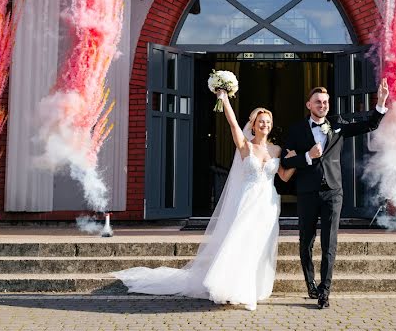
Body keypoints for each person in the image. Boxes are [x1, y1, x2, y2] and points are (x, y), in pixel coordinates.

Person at [114, 89, 296, 310]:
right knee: (240, 243)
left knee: (259, 246)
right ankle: (235, 289)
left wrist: (297, 161)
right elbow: (232, 125)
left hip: (267, 206)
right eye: (260, 122)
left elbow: (284, 177)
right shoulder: (245, 146)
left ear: (271, 124)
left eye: (267, 122)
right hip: (247, 202)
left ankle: (253, 288)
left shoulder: (276, 150)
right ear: (253, 124)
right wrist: (225, 100)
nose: (264, 125)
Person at [280, 79, 390, 308]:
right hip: (307, 192)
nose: (323, 105)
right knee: (306, 242)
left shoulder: (337, 124)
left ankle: (324, 291)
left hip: (333, 192)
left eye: (326, 102)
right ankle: (310, 283)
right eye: (318, 102)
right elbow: (285, 161)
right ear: (309, 105)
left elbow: (368, 125)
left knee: (329, 242)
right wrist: (308, 156)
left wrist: (380, 103)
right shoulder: (297, 130)